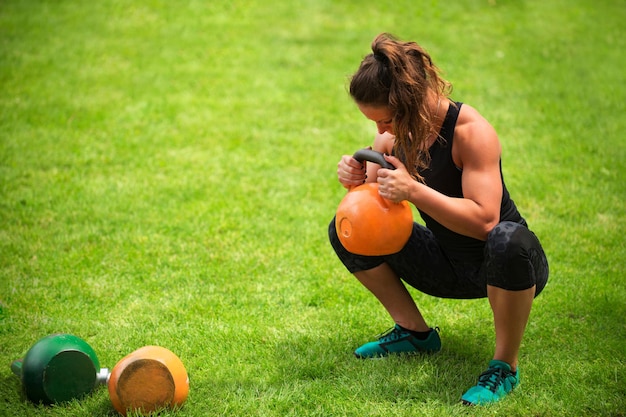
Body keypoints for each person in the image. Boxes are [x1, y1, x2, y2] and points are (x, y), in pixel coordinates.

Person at [328, 33, 549, 406]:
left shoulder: (471, 133)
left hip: (508, 266)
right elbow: (372, 216)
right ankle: (415, 333)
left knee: (507, 238)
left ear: (410, 101)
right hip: (447, 262)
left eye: (385, 121)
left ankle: (504, 366)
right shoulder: (393, 138)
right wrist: (354, 181)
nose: (380, 132)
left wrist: (413, 190)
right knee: (346, 230)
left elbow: (485, 221)